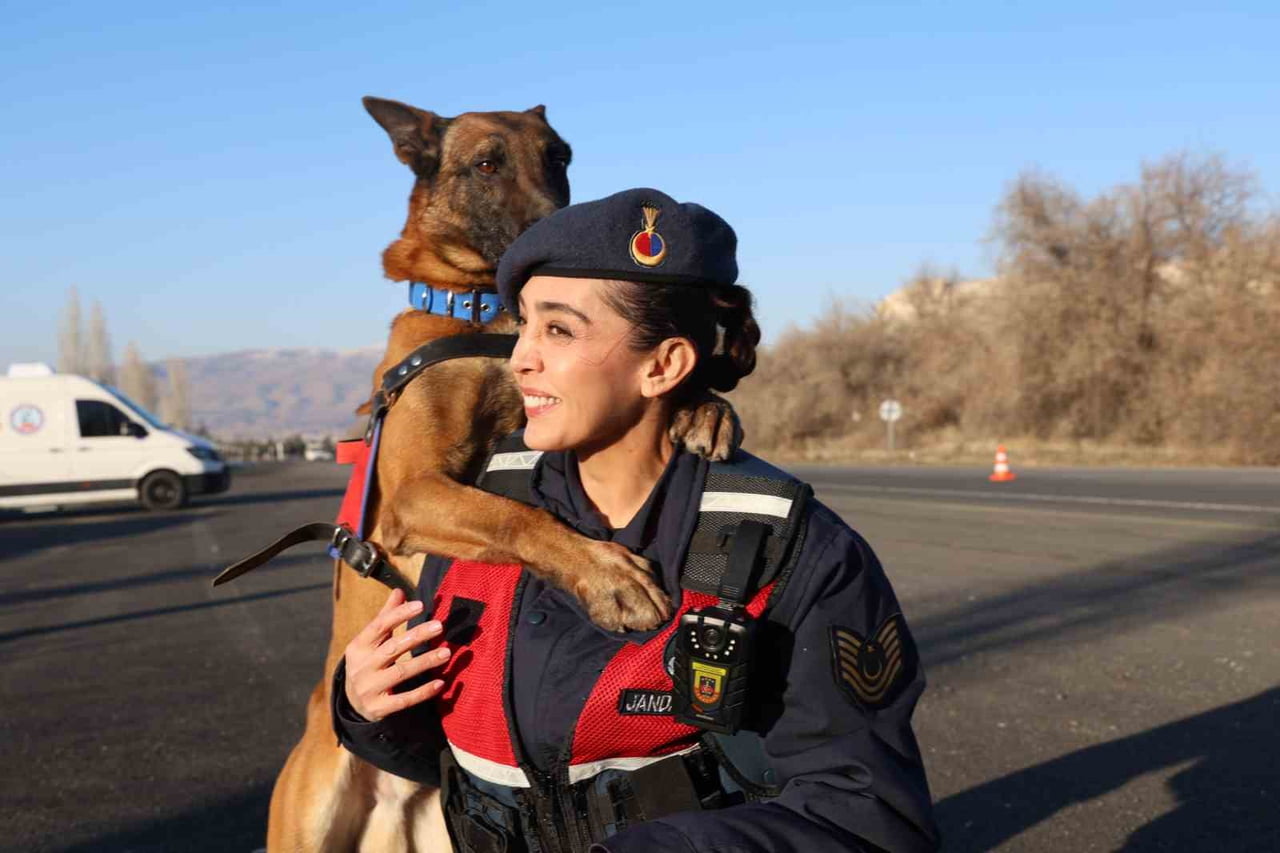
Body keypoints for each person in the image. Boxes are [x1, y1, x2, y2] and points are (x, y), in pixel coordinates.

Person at [332, 188, 940, 853]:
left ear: (664, 365)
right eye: (523, 324)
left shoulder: (789, 552)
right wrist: (367, 708)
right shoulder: (483, 519)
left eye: (558, 330)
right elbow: (460, 758)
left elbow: (867, 819)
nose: (519, 357)